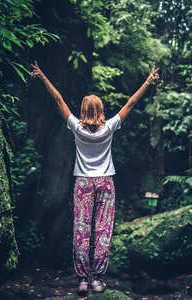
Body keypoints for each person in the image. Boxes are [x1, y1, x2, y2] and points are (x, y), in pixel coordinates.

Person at [30, 61, 160, 294]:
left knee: (81, 229)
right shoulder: (109, 127)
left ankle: (82, 280)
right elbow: (131, 103)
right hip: (105, 182)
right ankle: (97, 280)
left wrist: (43, 77)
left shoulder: (76, 128)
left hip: (82, 183)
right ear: (100, 110)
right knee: (102, 229)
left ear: (82, 110)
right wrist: (148, 81)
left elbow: (58, 100)